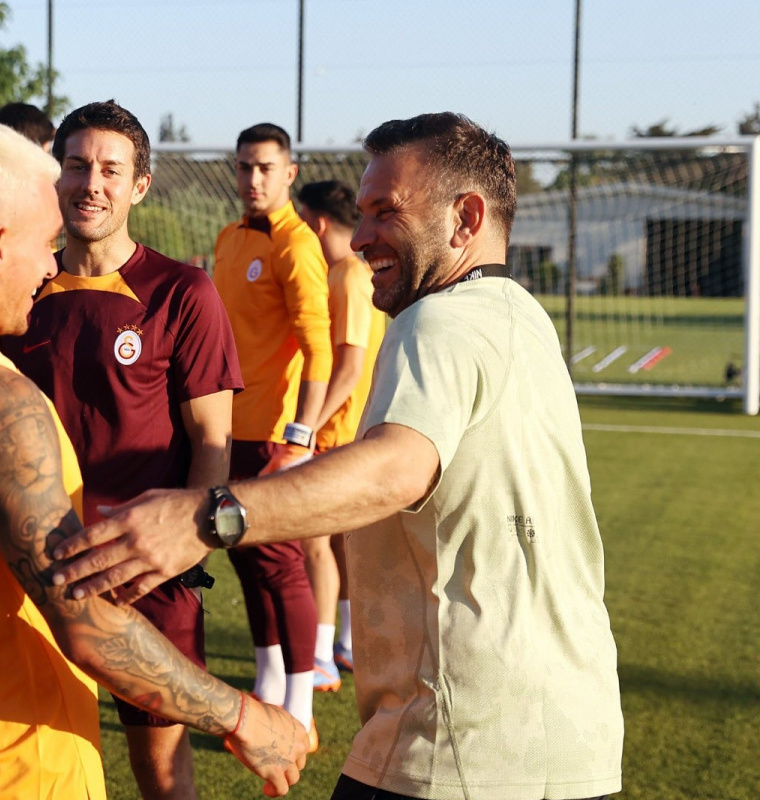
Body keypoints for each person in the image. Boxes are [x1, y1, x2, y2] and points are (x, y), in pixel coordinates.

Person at [51, 112, 624, 800]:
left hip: (459, 743)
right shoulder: (522, 318)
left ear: (466, 217)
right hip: (564, 735)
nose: (360, 236)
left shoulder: (436, 323)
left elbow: (394, 470)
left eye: (386, 211)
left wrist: (204, 518)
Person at [0, 115, 307, 800]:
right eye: (44, 243)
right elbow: (84, 625)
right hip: (8, 770)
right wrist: (244, 717)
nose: (52, 263)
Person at [0, 100, 241, 800]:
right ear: (56, 175)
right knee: (32, 760)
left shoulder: (180, 291)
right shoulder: (19, 287)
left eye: (111, 169)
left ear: (140, 185)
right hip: (34, 561)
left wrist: (187, 546)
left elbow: (212, 445)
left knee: (161, 770)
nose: (91, 183)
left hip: (145, 568)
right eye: (77, 165)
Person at [211, 122, 332, 742]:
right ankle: (266, 684)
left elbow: (319, 350)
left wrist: (300, 435)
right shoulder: (229, 239)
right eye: (242, 168)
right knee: (245, 558)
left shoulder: (296, 245)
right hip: (224, 430)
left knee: (281, 564)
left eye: (264, 168)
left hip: (271, 436)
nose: (252, 179)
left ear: (288, 173)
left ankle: (301, 708)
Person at [294, 179, 385, 691]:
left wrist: (308, 426)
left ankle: (322, 655)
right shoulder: (353, 272)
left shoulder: (349, 274)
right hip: (349, 427)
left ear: (317, 223)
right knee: (340, 544)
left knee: (314, 543)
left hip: (337, 429)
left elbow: (348, 369)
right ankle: (346, 645)